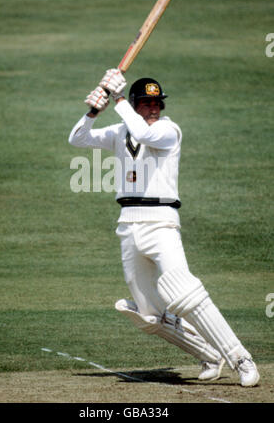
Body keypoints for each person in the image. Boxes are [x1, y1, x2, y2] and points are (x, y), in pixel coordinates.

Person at [68, 68, 260, 386]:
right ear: (135, 104)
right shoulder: (119, 131)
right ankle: (209, 355)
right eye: (145, 103)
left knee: (185, 293)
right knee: (148, 315)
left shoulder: (169, 131)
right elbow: (77, 138)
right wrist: (93, 110)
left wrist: (117, 98)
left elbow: (144, 135)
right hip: (128, 225)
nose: (154, 108)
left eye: (157, 103)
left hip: (161, 223)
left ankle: (240, 358)